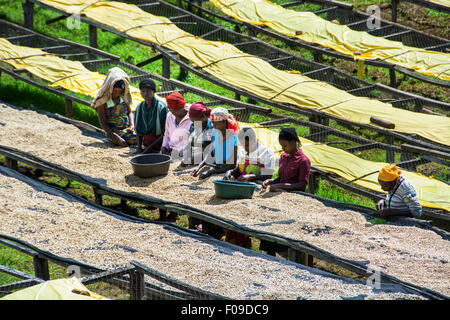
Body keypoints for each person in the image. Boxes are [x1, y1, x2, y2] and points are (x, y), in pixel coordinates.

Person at [91, 67, 136, 147]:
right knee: (137, 139)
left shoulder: (123, 97)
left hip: (128, 130)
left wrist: (132, 125)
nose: (117, 93)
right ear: (110, 88)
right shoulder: (103, 102)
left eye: (119, 91)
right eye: (115, 91)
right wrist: (117, 138)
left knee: (143, 135)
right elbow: (103, 124)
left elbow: (130, 112)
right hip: (114, 133)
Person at [191, 107, 240, 180]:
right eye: (213, 124)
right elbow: (209, 153)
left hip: (226, 166)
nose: (214, 126)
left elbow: (232, 165)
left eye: (216, 124)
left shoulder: (233, 137)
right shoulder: (215, 132)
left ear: (224, 122)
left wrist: (210, 172)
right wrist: (198, 167)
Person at [262, 128, 310, 192]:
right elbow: (281, 179)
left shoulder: (303, 161)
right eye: (281, 146)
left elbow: (302, 185)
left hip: (296, 194)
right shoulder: (283, 157)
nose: (283, 148)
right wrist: (270, 181)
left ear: (293, 142)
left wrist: (280, 185)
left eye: (285, 146)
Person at [134, 79, 168, 154]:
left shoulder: (161, 108)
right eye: (143, 91)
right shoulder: (140, 107)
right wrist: (139, 148)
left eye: (148, 91)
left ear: (154, 92)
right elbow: (138, 130)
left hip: (160, 142)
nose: (145, 94)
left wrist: (149, 148)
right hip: (146, 143)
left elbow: (165, 133)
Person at [160, 91, 192, 159]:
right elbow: (166, 135)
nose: (173, 112)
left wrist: (178, 151)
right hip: (171, 151)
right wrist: (164, 146)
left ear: (182, 107)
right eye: (171, 110)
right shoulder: (169, 116)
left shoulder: (192, 117)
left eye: (175, 110)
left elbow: (192, 141)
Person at [181, 101, 214, 166]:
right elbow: (189, 143)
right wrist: (185, 157)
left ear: (203, 117)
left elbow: (212, 152)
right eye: (192, 121)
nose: (195, 124)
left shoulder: (213, 127)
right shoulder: (194, 126)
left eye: (196, 121)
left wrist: (192, 160)